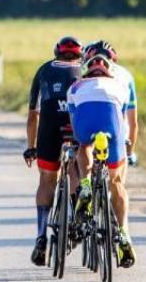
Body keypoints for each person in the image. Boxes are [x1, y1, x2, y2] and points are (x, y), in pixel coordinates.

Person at [67, 52, 137, 268]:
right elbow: (124, 118)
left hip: (84, 120)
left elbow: (73, 117)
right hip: (113, 127)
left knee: (83, 145)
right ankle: (124, 233)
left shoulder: (76, 86)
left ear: (87, 70)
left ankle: (86, 184)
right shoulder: (121, 85)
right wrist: (127, 148)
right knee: (116, 182)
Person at [23, 36, 83, 266]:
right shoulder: (85, 69)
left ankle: (40, 236)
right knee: (78, 167)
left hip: (49, 128)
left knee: (47, 179)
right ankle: (78, 217)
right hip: (76, 125)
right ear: (79, 55)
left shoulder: (44, 70)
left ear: (56, 53)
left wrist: (31, 147)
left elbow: (33, 115)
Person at [83, 40, 138, 167]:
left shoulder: (83, 72)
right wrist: (130, 153)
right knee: (116, 181)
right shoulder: (126, 76)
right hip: (117, 131)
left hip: (87, 129)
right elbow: (133, 123)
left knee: (81, 154)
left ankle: (85, 183)